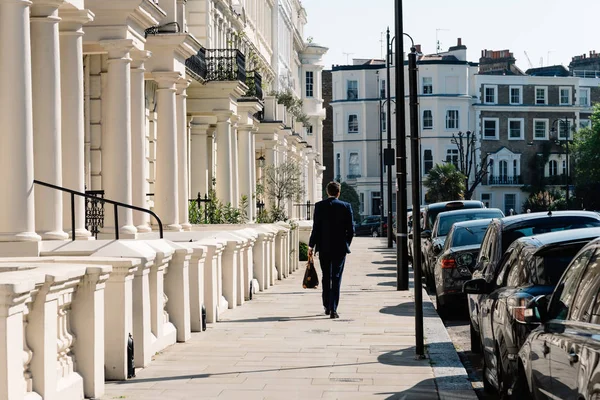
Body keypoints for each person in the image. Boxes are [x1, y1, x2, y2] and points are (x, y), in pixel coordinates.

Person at [308, 182, 354, 319]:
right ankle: (334, 308)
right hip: (340, 248)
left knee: (326, 276)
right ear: (338, 193)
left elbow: (316, 228)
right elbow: (351, 230)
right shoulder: (346, 206)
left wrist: (311, 246)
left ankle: (327, 305)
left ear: (327, 192)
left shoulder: (319, 206)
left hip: (324, 247)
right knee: (336, 277)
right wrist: (346, 244)